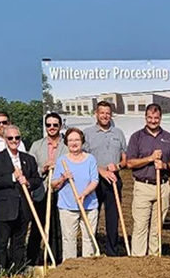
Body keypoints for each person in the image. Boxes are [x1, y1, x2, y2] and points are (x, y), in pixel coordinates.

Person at [126, 104, 170, 257]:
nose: (153, 121)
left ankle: (154, 259)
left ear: (160, 118)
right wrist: (150, 158)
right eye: (150, 117)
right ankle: (138, 259)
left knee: (157, 228)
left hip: (162, 187)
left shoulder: (168, 137)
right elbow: (130, 163)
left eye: (156, 118)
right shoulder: (137, 137)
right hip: (143, 186)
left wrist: (164, 165)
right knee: (140, 226)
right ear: (145, 117)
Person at [0, 125, 42, 274]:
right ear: (5, 139)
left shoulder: (28, 159)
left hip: (23, 207)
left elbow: (37, 180)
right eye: (10, 138)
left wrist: (27, 181)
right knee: (2, 242)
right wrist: (12, 177)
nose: (14, 140)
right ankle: (1, 270)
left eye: (17, 138)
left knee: (19, 242)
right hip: (5, 208)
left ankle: (17, 270)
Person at [83, 101, 128, 257]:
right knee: (92, 216)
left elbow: (124, 159)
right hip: (93, 180)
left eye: (108, 113)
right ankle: (91, 250)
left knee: (113, 217)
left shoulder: (118, 133)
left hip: (113, 179)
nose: (105, 116)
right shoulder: (87, 133)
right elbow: (83, 158)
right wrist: (100, 170)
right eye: (102, 113)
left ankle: (112, 252)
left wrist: (118, 166)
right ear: (96, 114)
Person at [52, 128, 100, 260]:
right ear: (66, 143)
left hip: (89, 206)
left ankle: (87, 266)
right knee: (69, 239)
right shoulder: (62, 161)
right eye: (71, 140)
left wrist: (84, 194)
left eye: (77, 140)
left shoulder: (90, 159)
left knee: (89, 238)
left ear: (82, 141)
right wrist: (63, 178)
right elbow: (53, 184)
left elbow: (95, 180)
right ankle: (70, 267)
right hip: (67, 207)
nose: (74, 143)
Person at [28, 113, 65, 264]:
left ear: (60, 126)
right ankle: (31, 260)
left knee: (57, 227)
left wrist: (59, 169)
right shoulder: (37, 145)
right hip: (41, 191)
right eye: (48, 125)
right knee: (37, 227)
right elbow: (30, 169)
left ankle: (55, 258)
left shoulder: (66, 146)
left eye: (55, 125)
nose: (52, 127)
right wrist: (43, 169)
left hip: (60, 191)